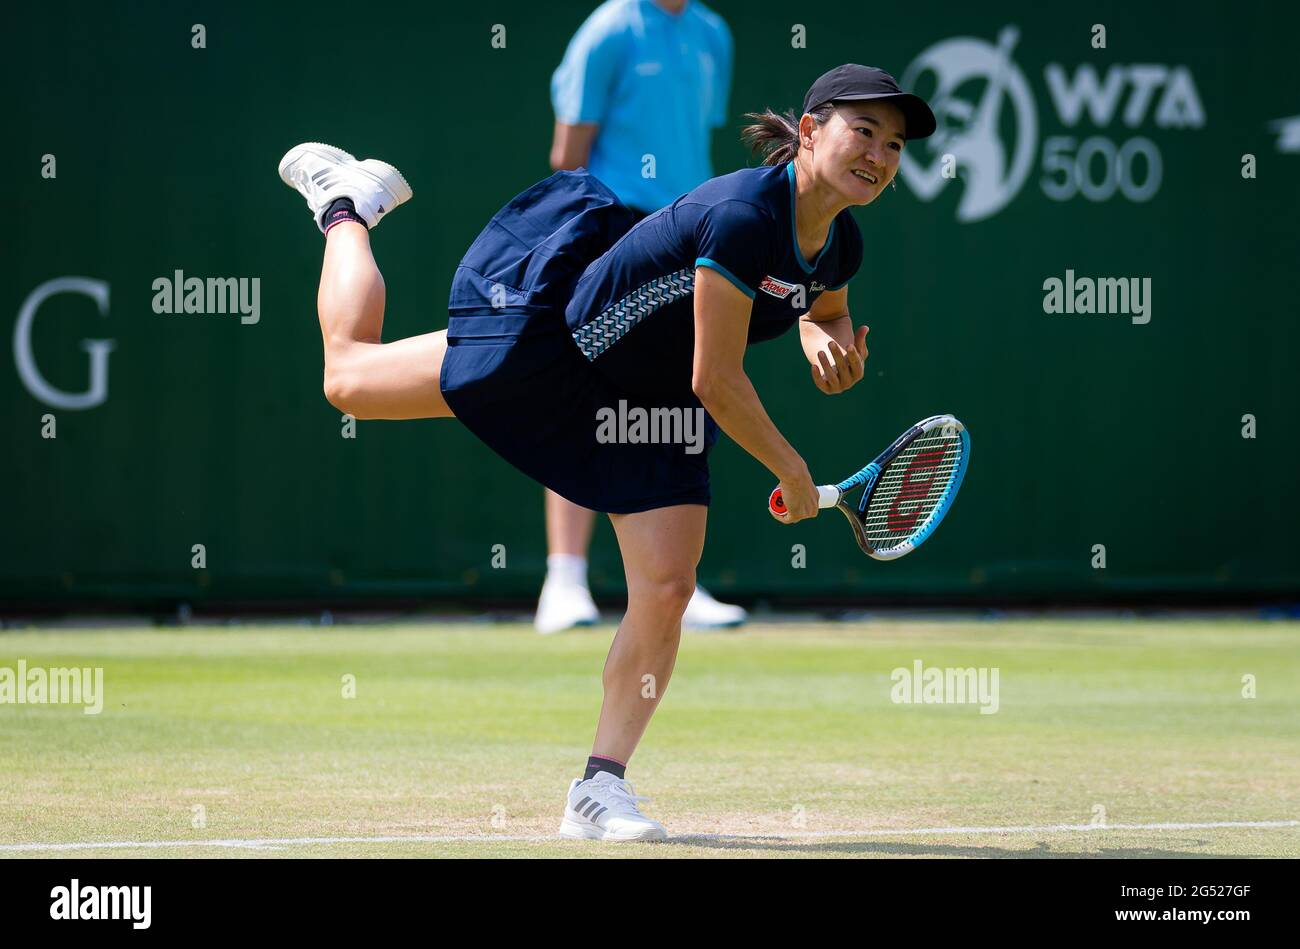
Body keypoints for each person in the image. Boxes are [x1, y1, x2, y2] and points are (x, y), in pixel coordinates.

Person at [278, 63, 936, 841]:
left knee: (667, 585)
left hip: (652, 402)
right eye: (864, 131)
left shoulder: (840, 243)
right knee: (348, 378)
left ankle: (599, 788)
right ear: (810, 130)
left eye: (894, 144)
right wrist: (792, 469)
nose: (879, 154)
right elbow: (716, 377)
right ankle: (345, 204)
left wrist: (827, 343)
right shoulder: (741, 216)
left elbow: (822, 308)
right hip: (560, 346)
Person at [542, 0, 743, 634]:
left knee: (679, 399)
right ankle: (564, 579)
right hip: (617, 233)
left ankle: (672, 582)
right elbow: (567, 157)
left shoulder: (713, 34)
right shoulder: (608, 30)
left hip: (692, 233)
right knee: (584, 398)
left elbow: (693, 135)